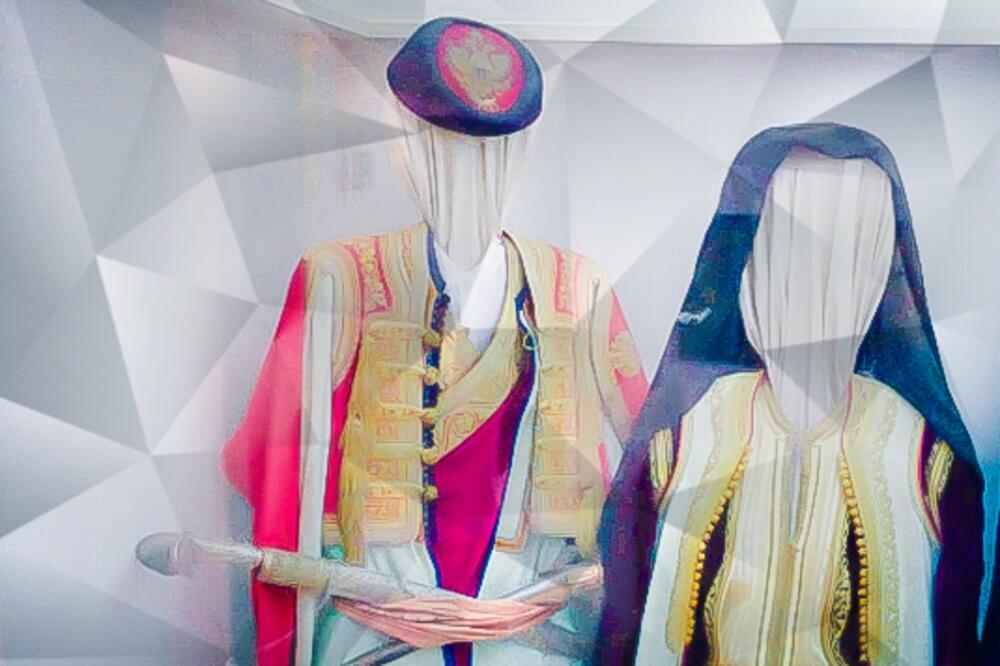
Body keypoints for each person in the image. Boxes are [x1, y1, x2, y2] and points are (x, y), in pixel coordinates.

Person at [221, 17, 648, 666]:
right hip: (377, 616)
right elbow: (276, 470)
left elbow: (655, 471)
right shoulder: (340, 277)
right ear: (406, 146)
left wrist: (582, 587)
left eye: (491, 152)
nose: (470, 171)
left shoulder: (577, 287)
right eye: (443, 146)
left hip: (534, 619)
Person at [598, 124, 985, 665]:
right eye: (795, 249)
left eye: (848, 251)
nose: (819, 285)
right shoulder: (685, 438)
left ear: (878, 265)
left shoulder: (925, 459)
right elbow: (622, 624)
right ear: (752, 257)